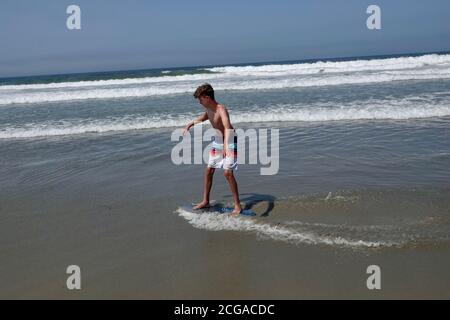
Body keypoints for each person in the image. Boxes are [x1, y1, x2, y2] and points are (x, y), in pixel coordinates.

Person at [183, 83, 242, 216]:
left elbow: (227, 127)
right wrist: (190, 124)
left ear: (207, 97)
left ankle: (237, 205)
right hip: (218, 142)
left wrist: (226, 145)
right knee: (209, 170)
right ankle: (205, 201)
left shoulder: (221, 109)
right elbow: (204, 118)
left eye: (200, 99)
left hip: (230, 140)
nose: (199, 102)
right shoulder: (209, 109)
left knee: (227, 173)